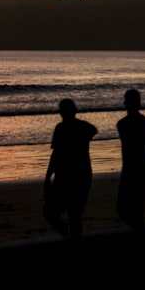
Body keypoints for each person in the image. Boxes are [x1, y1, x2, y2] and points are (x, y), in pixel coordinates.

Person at [43, 98, 98, 237]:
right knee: (72, 215)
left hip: (69, 174)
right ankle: (70, 235)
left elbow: (55, 154)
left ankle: (69, 236)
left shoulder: (61, 128)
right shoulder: (82, 127)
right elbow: (94, 130)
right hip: (79, 174)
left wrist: (48, 175)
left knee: (59, 213)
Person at [116, 89, 145, 229]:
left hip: (136, 171)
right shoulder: (139, 123)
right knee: (129, 211)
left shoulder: (124, 124)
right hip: (134, 170)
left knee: (134, 211)